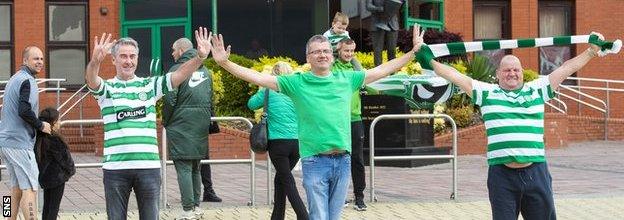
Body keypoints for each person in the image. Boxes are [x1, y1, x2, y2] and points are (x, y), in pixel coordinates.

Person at [209, 24, 424, 220]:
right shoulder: (297, 83)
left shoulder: (348, 79)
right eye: (317, 52)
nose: (322, 55)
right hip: (315, 162)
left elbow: (382, 70)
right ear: (308, 57)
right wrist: (225, 63)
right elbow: (257, 78)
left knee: (333, 217)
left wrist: (413, 53)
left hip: (343, 161)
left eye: (326, 51)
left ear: (332, 55)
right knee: (319, 217)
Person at [423, 32, 611, 220]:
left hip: (536, 172)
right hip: (502, 176)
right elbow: (456, 76)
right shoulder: (487, 92)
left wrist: (591, 51)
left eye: (516, 70)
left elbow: (566, 68)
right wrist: (428, 59)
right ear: (497, 74)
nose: (512, 73)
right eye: (506, 70)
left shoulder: (537, 89)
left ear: (522, 72)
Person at [84, 28, 212, 220]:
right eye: (123, 56)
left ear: (137, 58)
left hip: (148, 167)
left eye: (132, 56)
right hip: (115, 169)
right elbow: (92, 81)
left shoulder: (149, 85)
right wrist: (95, 61)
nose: (128, 61)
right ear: (114, 60)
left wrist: (200, 57)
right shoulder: (107, 89)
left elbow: (178, 76)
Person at [161, 37, 220, 219]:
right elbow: (211, 100)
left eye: (173, 50)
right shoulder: (206, 71)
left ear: (181, 51)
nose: (172, 53)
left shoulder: (176, 70)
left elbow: (170, 100)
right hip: (200, 125)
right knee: (195, 167)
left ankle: (187, 210)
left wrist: (166, 121)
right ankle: (196, 207)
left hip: (180, 124)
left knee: (184, 168)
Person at [247, 62, 309, 220]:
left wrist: (263, 87)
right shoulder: (297, 91)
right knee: (281, 178)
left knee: (287, 180)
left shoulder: (269, 90)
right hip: (297, 143)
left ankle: (303, 216)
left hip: (278, 144)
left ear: (273, 75)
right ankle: (277, 217)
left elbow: (251, 104)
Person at [0, 46, 51, 220]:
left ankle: (7, 217)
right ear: (24, 61)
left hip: (6, 143)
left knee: (15, 187)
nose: (40, 62)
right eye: (35, 59)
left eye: (42, 59)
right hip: (19, 143)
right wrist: (40, 125)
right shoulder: (27, 81)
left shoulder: (14, 79)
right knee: (30, 187)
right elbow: (24, 110)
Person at [331, 38, 367, 211]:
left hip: (355, 119)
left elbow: (370, 85)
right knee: (338, 158)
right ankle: (339, 196)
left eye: (352, 51)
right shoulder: (333, 67)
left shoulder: (356, 69)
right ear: (339, 49)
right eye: (346, 50)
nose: (349, 54)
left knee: (357, 160)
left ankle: (359, 197)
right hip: (337, 120)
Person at [34, 107, 76, 220]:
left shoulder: (39, 138)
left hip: (44, 178)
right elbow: (65, 160)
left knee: (46, 206)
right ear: (53, 123)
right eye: (58, 120)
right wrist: (70, 171)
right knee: (54, 208)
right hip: (57, 179)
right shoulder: (55, 139)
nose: (60, 122)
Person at [366, 0, 404, 66]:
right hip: (377, 23)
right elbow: (368, 6)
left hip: (392, 24)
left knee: (392, 49)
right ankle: (379, 72)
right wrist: (377, 8)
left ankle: (392, 71)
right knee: (378, 50)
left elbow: (400, 5)